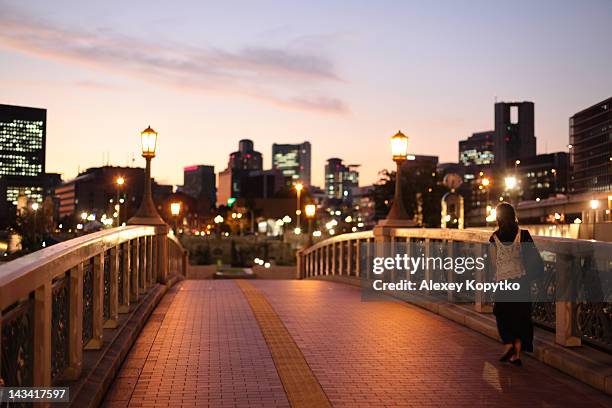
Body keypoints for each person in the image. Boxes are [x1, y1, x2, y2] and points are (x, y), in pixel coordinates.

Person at [489, 202, 538, 366]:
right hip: (522, 281)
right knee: (520, 317)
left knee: (502, 313)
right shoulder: (523, 235)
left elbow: (493, 264)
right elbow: (533, 258)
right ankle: (516, 354)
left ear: (498, 218)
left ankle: (509, 342)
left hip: (503, 282)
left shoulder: (494, 237)